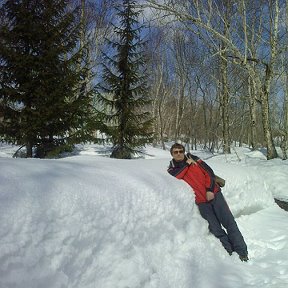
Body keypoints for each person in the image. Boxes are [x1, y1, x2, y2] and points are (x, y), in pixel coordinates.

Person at [167, 143, 249, 262]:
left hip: (214, 194)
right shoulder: (172, 168)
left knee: (229, 223)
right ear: (172, 154)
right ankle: (230, 251)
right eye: (176, 152)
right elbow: (178, 175)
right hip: (202, 202)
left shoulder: (193, 158)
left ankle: (242, 252)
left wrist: (210, 190)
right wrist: (186, 164)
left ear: (184, 151)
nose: (179, 154)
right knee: (216, 229)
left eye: (181, 151)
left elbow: (209, 172)